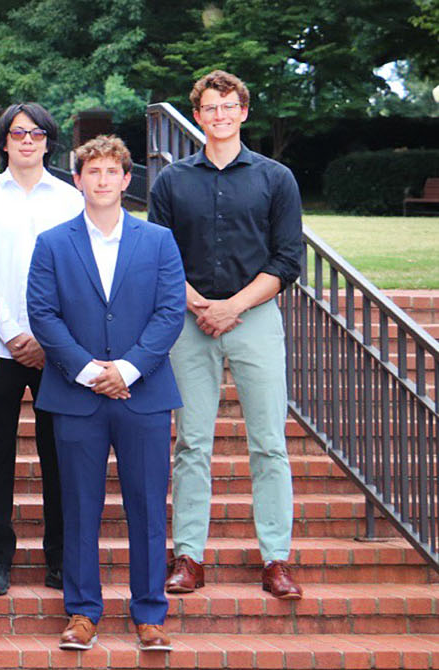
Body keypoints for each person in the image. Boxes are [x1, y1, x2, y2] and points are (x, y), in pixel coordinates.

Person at [150, 70, 305, 600]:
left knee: (269, 442)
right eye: (210, 108)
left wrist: (233, 305)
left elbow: (288, 259)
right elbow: (161, 257)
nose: (220, 115)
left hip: (254, 317)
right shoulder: (172, 181)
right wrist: (201, 305)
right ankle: (188, 556)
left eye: (228, 106)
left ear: (243, 111)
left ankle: (276, 559)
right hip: (189, 322)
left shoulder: (276, 178)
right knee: (191, 442)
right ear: (198, 116)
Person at [27, 135, 184, 652]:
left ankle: (149, 614)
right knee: (78, 507)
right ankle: (82, 612)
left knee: (145, 507)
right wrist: (89, 370)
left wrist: (130, 368)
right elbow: (43, 315)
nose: (101, 180)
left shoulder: (158, 241)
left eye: (111, 172)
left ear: (125, 179)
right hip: (77, 396)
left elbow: (169, 312)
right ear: (78, 180)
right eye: (91, 172)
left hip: (144, 395)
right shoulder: (52, 242)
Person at [0, 102, 83, 596]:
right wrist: (12, 332)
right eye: (17, 134)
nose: (27, 141)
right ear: (4, 142)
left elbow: (78, 272)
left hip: (60, 350)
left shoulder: (71, 200)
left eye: (35, 134)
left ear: (49, 141)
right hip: (0, 345)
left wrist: (47, 336)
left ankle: (62, 559)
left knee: (62, 457)